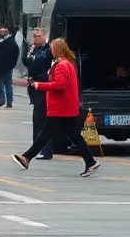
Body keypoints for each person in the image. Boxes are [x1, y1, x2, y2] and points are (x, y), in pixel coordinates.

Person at [11, 38, 100, 177]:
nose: (51, 50)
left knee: (46, 134)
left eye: (52, 48)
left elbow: (60, 85)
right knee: (72, 135)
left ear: (57, 49)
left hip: (61, 107)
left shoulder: (62, 65)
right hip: (65, 107)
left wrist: (39, 85)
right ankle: (90, 162)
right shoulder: (66, 64)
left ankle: (27, 157)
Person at [22, 28, 53, 159]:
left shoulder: (47, 50)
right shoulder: (33, 49)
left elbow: (40, 62)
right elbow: (26, 61)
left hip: (43, 85)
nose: (37, 38)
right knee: (37, 118)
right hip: (34, 86)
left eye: (39, 36)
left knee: (42, 118)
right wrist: (30, 53)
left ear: (44, 36)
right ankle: (38, 147)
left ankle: (45, 149)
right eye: (35, 36)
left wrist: (33, 59)